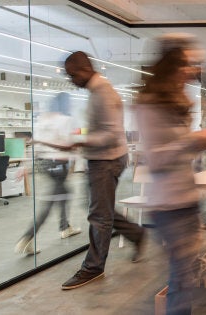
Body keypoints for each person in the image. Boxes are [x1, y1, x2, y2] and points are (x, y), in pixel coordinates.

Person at [135, 34, 206, 314]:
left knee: (185, 277)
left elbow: (179, 153)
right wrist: (197, 140)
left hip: (185, 201)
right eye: (188, 64)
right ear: (172, 65)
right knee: (182, 280)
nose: (193, 70)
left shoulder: (178, 101)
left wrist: (198, 142)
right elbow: (157, 158)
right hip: (168, 205)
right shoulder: (149, 104)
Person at [61, 51, 145, 290]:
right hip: (102, 159)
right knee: (101, 210)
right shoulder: (97, 91)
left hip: (106, 160)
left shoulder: (103, 93)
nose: (71, 80)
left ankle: (93, 267)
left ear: (85, 70)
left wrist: (80, 141)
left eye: (73, 74)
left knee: (99, 215)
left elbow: (109, 134)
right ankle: (136, 234)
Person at [15, 92, 81, 255]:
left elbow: (35, 146)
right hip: (59, 164)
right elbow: (68, 144)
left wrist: (26, 166)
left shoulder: (42, 120)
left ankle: (65, 227)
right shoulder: (66, 120)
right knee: (50, 202)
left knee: (65, 193)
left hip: (44, 164)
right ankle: (26, 238)